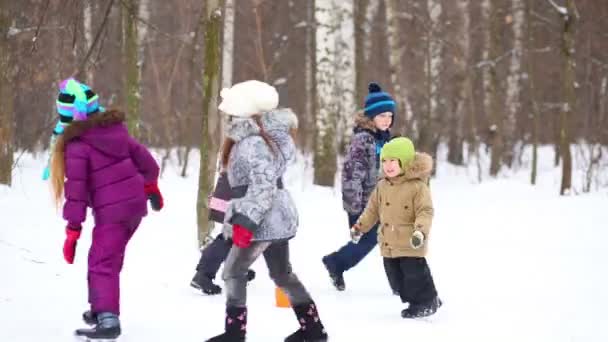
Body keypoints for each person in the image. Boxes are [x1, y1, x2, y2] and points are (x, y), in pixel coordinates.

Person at [205, 80, 328, 342]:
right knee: (282, 273)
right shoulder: (262, 138)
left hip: (261, 217)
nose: (226, 115)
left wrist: (246, 221)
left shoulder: (253, 142)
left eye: (231, 110)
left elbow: (263, 183)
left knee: (233, 271)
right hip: (275, 216)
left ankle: (234, 334)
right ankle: (313, 329)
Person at [49, 78, 163, 339]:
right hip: (133, 208)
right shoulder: (116, 131)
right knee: (105, 258)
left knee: (103, 262)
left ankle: (109, 319)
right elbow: (148, 162)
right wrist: (150, 189)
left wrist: (73, 230)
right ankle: (101, 308)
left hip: (112, 213)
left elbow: (76, 191)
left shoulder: (77, 146)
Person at [350, 137, 442, 318]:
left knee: (414, 275)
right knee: (397, 280)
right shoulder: (382, 186)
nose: (388, 165)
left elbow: (425, 211)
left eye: (393, 161)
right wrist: (360, 227)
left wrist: (420, 231)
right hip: (389, 242)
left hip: (411, 242)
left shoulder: (417, 187)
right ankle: (421, 300)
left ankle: (426, 302)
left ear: (405, 162)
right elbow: (372, 210)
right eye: (384, 161)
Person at [321, 82, 396, 292]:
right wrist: (355, 207)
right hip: (363, 203)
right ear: (371, 117)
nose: (386, 120)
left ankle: (400, 284)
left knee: (387, 240)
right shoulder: (363, 140)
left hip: (382, 201)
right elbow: (351, 174)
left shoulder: (385, 138)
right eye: (382, 116)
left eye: (390, 116)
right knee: (369, 241)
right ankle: (335, 262)